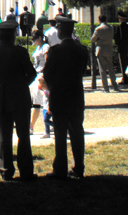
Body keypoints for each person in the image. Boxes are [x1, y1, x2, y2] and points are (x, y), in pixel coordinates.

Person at [0, 16, 37, 181]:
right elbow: (32, 74)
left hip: (1, 97)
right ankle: (26, 170)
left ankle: (5, 169)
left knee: (4, 137)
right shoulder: (20, 52)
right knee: (23, 135)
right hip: (20, 97)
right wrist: (22, 84)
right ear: (13, 35)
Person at [43, 15, 89, 180]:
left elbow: (47, 74)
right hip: (76, 95)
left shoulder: (55, 51)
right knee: (77, 133)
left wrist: (53, 88)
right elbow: (82, 71)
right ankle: (79, 167)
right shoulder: (82, 50)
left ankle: (60, 169)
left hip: (59, 96)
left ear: (60, 31)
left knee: (60, 134)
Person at [91, 15, 120, 93]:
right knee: (111, 68)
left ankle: (106, 87)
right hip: (109, 49)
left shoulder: (98, 29)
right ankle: (115, 85)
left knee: (102, 69)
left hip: (100, 49)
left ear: (99, 20)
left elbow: (93, 40)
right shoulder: (110, 27)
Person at [29, 30, 49, 134]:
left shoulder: (45, 47)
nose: (33, 41)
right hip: (36, 74)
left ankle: (32, 126)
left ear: (40, 38)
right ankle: (31, 125)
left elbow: (47, 61)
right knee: (36, 100)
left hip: (41, 74)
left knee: (40, 101)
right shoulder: (38, 48)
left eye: (34, 39)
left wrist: (44, 75)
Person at [114, 11, 128, 85]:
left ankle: (125, 79)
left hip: (122, 48)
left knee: (123, 64)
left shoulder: (119, 27)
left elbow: (117, 39)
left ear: (121, 19)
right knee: (127, 63)